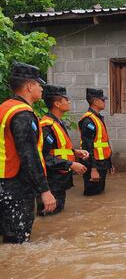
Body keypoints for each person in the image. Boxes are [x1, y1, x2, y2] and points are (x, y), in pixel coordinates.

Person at [0, 62, 56, 243]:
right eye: (39, 84)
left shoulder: (5, 108)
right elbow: (28, 155)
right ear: (30, 86)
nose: (41, 88)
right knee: (18, 242)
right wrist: (44, 190)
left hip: (4, 182)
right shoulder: (22, 114)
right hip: (16, 186)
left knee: (8, 237)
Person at [37, 85, 89, 215]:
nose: (69, 102)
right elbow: (43, 157)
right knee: (49, 217)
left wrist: (74, 152)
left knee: (57, 215)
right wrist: (71, 164)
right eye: (66, 99)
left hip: (59, 180)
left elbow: (57, 149)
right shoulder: (47, 126)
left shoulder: (58, 122)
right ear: (57, 104)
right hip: (51, 182)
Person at [78, 88, 114, 196]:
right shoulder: (88, 120)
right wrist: (93, 169)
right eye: (103, 100)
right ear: (95, 101)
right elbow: (87, 146)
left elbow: (104, 143)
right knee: (92, 194)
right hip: (94, 164)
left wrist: (110, 164)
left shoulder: (97, 117)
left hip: (102, 162)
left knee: (99, 193)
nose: (105, 102)